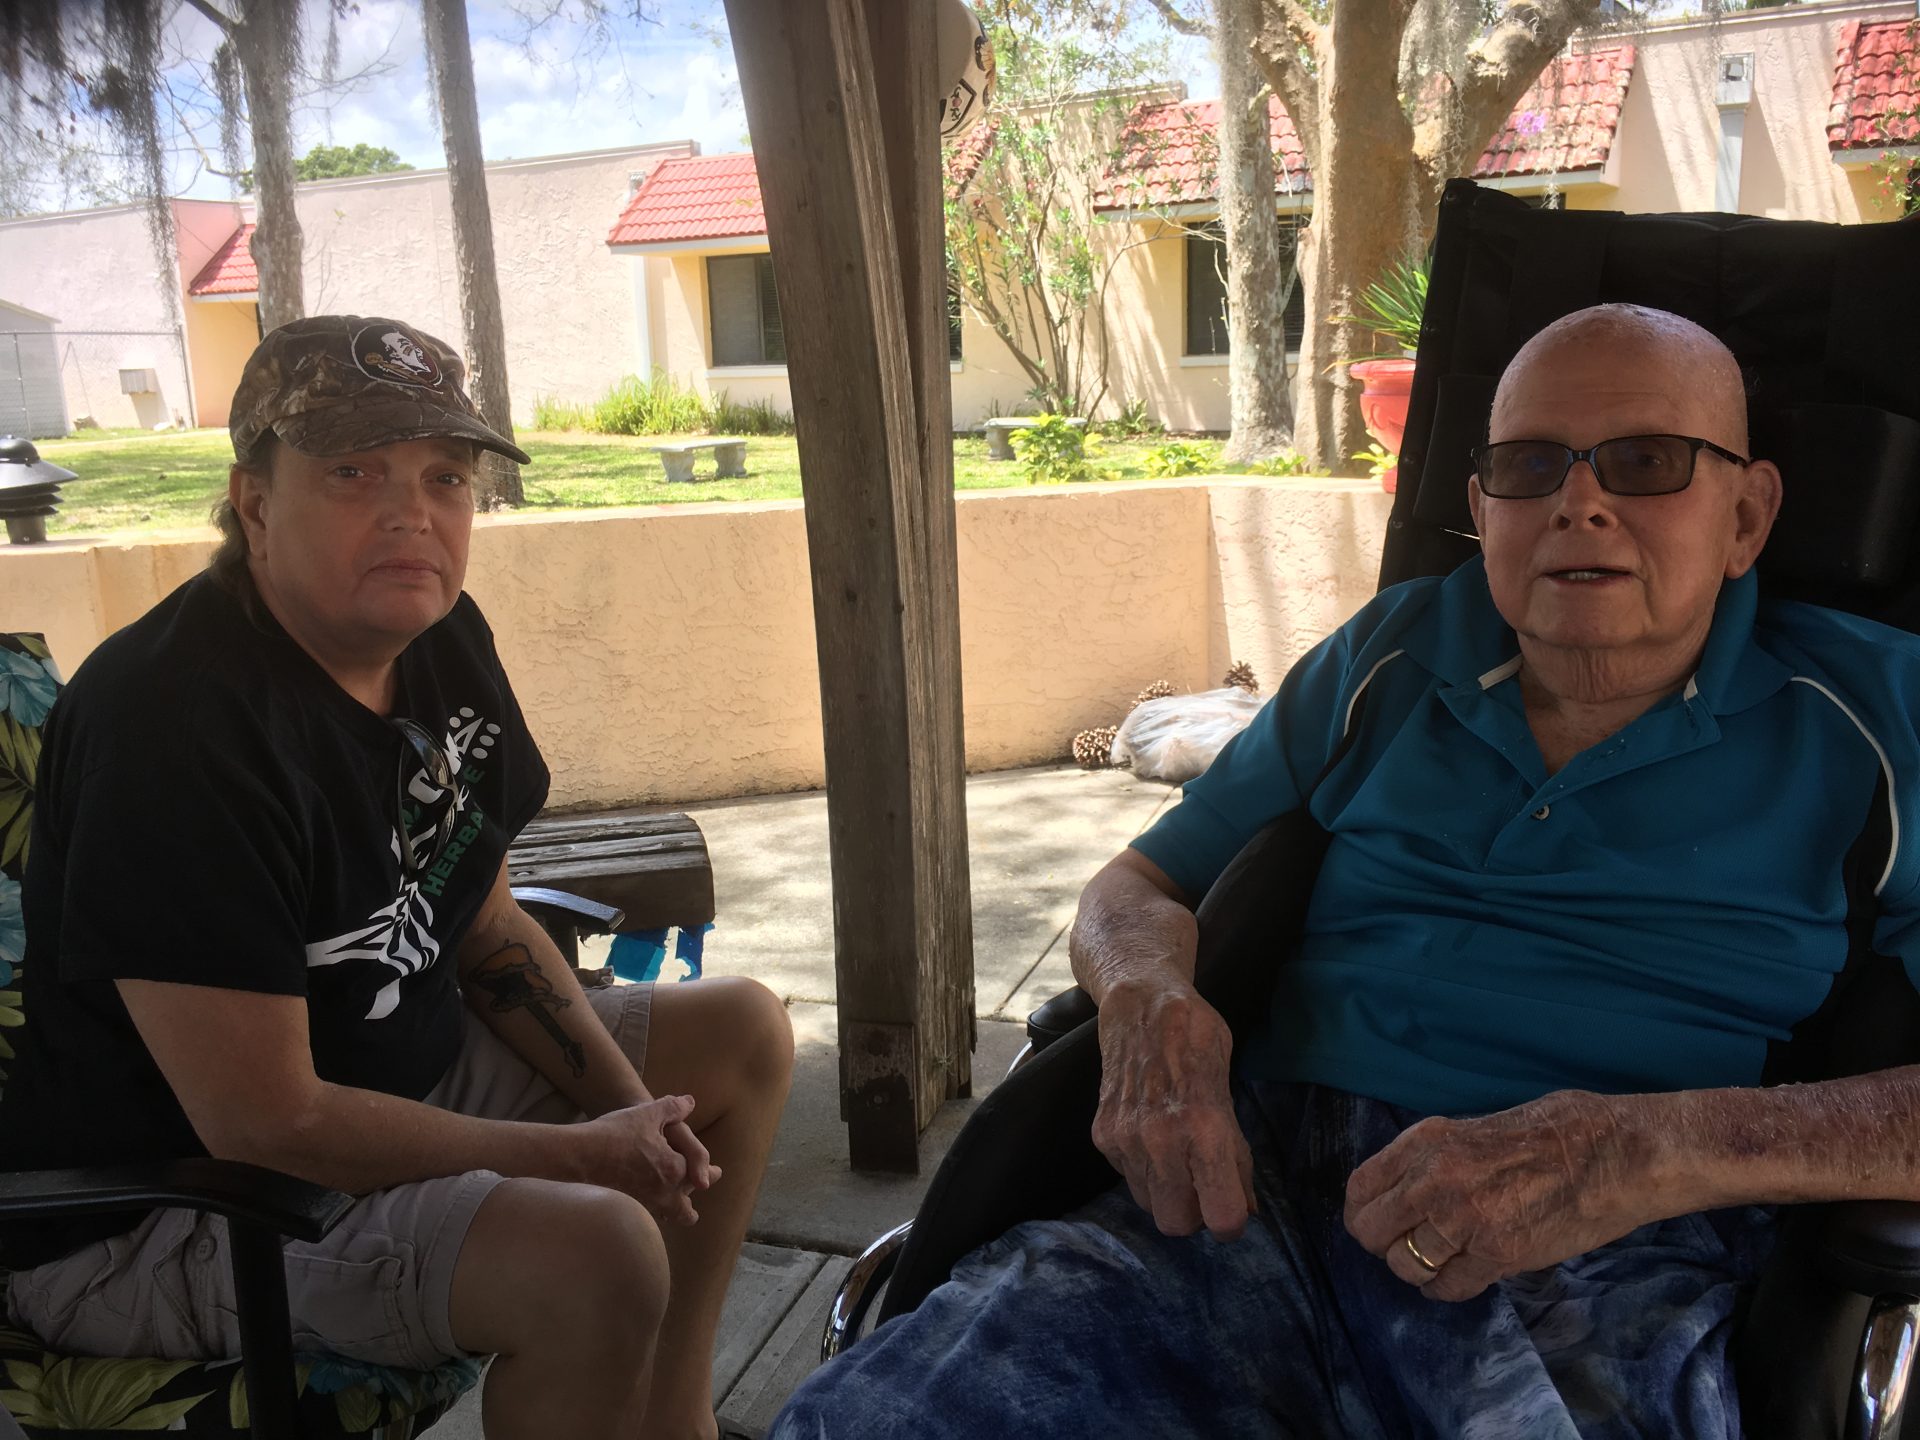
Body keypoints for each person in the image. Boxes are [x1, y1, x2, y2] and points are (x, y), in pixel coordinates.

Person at [773, 303, 1920, 1438]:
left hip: (1616, 1240)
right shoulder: (1394, 654)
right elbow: (1138, 889)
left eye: (1647, 460)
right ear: (1480, 510)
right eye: (1529, 467)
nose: (1580, 501)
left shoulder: (1879, 719)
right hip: (1250, 1194)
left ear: (1747, 516)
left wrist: (1646, 1150)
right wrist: (1147, 999)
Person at [0, 315, 793, 1440]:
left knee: (744, 1035)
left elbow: (485, 925)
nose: (410, 511)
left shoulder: (440, 636)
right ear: (256, 502)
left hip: (383, 1082)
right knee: (594, 1254)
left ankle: (674, 1422)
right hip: (158, 1209)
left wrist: (637, 1124)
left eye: (445, 476)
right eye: (353, 471)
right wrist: (576, 1157)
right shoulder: (173, 724)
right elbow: (268, 1120)